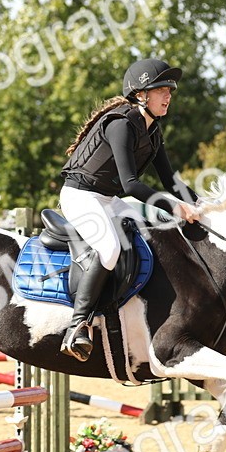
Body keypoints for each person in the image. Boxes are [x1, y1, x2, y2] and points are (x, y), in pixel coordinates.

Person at [57, 58, 201, 361]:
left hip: (107, 198)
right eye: (161, 90)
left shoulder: (153, 131)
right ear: (140, 94)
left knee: (155, 235)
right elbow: (132, 184)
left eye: (170, 90)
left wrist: (202, 204)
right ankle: (77, 325)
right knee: (109, 249)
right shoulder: (122, 124)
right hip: (81, 196)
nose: (168, 96)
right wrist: (174, 205)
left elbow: (171, 181)